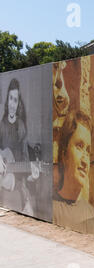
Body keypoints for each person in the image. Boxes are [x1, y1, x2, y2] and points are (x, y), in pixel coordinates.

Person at [53, 110, 94, 240]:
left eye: (88, 151)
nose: (85, 160)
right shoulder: (48, 210)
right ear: (64, 154)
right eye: (79, 146)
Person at [0, 79, 39, 215]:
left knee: (30, 211)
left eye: (15, 100)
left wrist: (32, 177)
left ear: (18, 104)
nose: (12, 104)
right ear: (7, 100)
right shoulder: (1, 124)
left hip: (16, 181)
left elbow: (25, 161)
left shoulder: (21, 126)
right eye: (10, 98)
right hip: (5, 183)